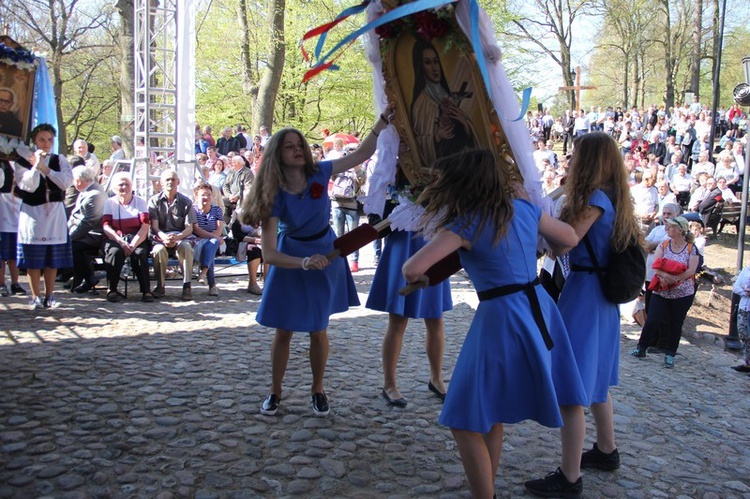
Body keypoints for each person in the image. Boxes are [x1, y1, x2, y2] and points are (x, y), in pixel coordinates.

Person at [402, 149, 586, 498]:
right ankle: (485, 488)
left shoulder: (466, 223)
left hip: (501, 317)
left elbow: (411, 269)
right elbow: (570, 239)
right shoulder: (527, 210)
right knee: (491, 409)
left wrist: (425, 278)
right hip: (537, 307)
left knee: (462, 417)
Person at [240, 109, 391, 418]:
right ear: (277, 154)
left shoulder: (321, 171)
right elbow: (268, 254)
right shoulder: (272, 192)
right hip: (292, 257)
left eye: (300, 144)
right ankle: (275, 391)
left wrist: (382, 121)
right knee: (283, 331)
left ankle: (318, 389)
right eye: (290, 146)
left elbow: (363, 152)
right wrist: (303, 262)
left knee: (318, 329)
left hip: (326, 252)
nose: (298, 149)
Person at [525, 132, 644, 497]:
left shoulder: (593, 198)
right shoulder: (613, 196)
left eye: (576, 155)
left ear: (589, 159)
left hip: (586, 295)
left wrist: (533, 213)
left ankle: (570, 476)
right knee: (595, 380)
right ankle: (606, 450)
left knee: (573, 385)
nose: (570, 160)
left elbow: (567, 239)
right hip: (598, 297)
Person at [13, 124, 74, 309]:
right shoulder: (22, 161)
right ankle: (35, 295)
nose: (46, 143)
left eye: (49, 140)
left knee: (51, 257)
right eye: (41, 139)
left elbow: (65, 182)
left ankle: (50, 295)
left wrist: (46, 169)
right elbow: (28, 186)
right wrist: (36, 167)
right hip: (33, 212)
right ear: (34, 141)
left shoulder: (59, 159)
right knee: (34, 259)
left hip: (54, 212)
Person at [630, 216, 699, 368]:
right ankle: (641, 348)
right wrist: (666, 276)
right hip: (661, 290)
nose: (667, 228)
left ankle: (670, 354)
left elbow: (691, 270)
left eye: (671, 227)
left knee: (675, 323)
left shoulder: (690, 248)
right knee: (653, 319)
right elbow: (656, 265)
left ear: (680, 229)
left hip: (682, 293)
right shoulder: (664, 244)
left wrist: (676, 279)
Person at [410, 38, 476, 169]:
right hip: (444, 168)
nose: (434, 68)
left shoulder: (449, 95)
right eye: (427, 62)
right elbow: (416, 143)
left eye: (436, 61)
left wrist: (464, 123)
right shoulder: (420, 104)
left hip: (465, 166)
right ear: (420, 66)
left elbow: (471, 140)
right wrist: (437, 136)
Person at [101, 172, 154, 303]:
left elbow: (145, 225)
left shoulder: (140, 202)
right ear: (115, 187)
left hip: (137, 237)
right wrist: (120, 242)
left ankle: (146, 291)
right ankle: (112, 289)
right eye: (121, 184)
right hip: (115, 237)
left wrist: (133, 244)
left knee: (140, 253)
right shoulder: (110, 202)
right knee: (114, 252)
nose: (124, 187)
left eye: (127, 184)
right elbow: (106, 226)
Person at [148, 169, 196, 301]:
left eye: (173, 179)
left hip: (180, 237)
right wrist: (164, 238)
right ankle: (160, 286)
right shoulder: (154, 201)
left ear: (178, 182)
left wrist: (177, 237)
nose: (170, 182)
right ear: (161, 183)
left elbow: (189, 228)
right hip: (161, 238)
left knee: (186, 247)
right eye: (167, 180)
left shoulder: (186, 202)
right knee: (158, 250)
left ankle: (187, 286)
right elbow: (154, 227)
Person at [67, 165, 107, 294]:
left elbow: (88, 222)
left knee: (73, 246)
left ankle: (88, 279)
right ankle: (78, 278)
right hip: (86, 232)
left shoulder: (94, 194)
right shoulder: (87, 191)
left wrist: (71, 237)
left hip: (95, 235)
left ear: (79, 180)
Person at [190, 182, 224, 296]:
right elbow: (196, 230)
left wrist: (215, 237)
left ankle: (203, 273)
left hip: (215, 242)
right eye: (203, 195)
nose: (207, 197)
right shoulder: (192, 210)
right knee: (210, 247)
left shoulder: (217, 210)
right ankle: (212, 285)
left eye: (209, 195)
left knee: (212, 244)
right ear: (196, 196)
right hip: (197, 242)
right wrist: (215, 237)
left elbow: (219, 230)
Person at [0, 159, 25, 297]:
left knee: (14, 254)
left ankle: (15, 283)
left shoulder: (20, 162)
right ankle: (1, 283)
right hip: (3, 211)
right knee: (1, 254)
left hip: (17, 214)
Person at [732, 265, 750, 373]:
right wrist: (745, 292)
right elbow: (736, 287)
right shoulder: (746, 270)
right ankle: (747, 362)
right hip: (744, 308)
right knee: (744, 335)